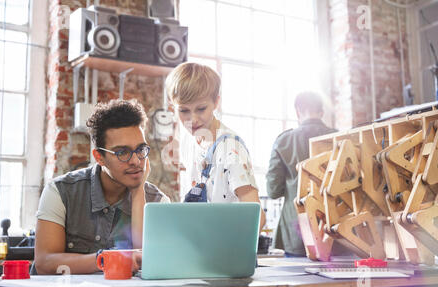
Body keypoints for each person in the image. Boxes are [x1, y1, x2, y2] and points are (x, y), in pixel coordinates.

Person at [34, 99, 170, 275]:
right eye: (122, 152)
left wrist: (138, 194)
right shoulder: (60, 192)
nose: (136, 161)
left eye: (140, 149)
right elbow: (44, 263)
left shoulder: (158, 202)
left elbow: (148, 264)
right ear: (99, 157)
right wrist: (106, 259)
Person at [165, 62, 266, 230]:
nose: (193, 119)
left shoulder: (231, 149)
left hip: (228, 250)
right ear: (173, 107)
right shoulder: (190, 142)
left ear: (216, 102)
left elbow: (257, 218)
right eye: (184, 111)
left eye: (201, 109)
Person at [266, 91, 337, 257]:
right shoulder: (340, 138)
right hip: (336, 232)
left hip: (297, 233)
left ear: (298, 111)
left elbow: (273, 190)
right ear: (322, 112)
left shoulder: (283, 141)